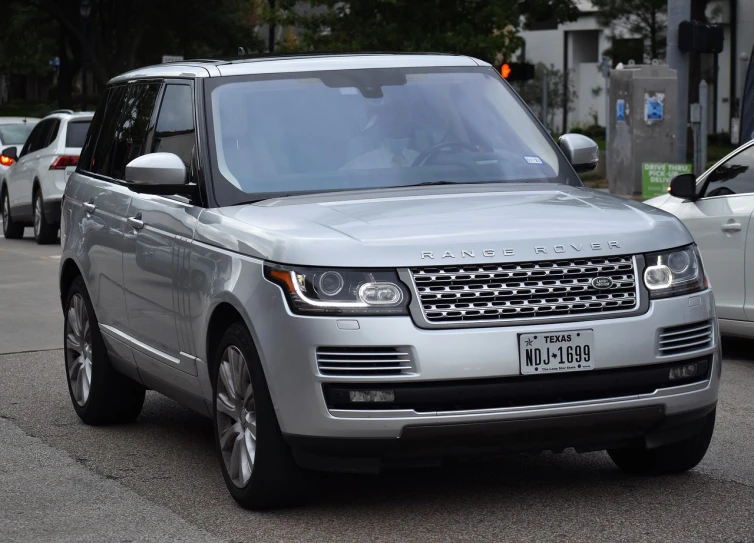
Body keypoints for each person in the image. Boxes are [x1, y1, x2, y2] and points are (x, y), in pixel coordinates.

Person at [341, 95, 420, 169]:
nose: (398, 132)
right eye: (393, 125)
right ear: (382, 127)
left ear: (409, 129)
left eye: (403, 126)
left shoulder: (423, 160)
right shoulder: (361, 165)